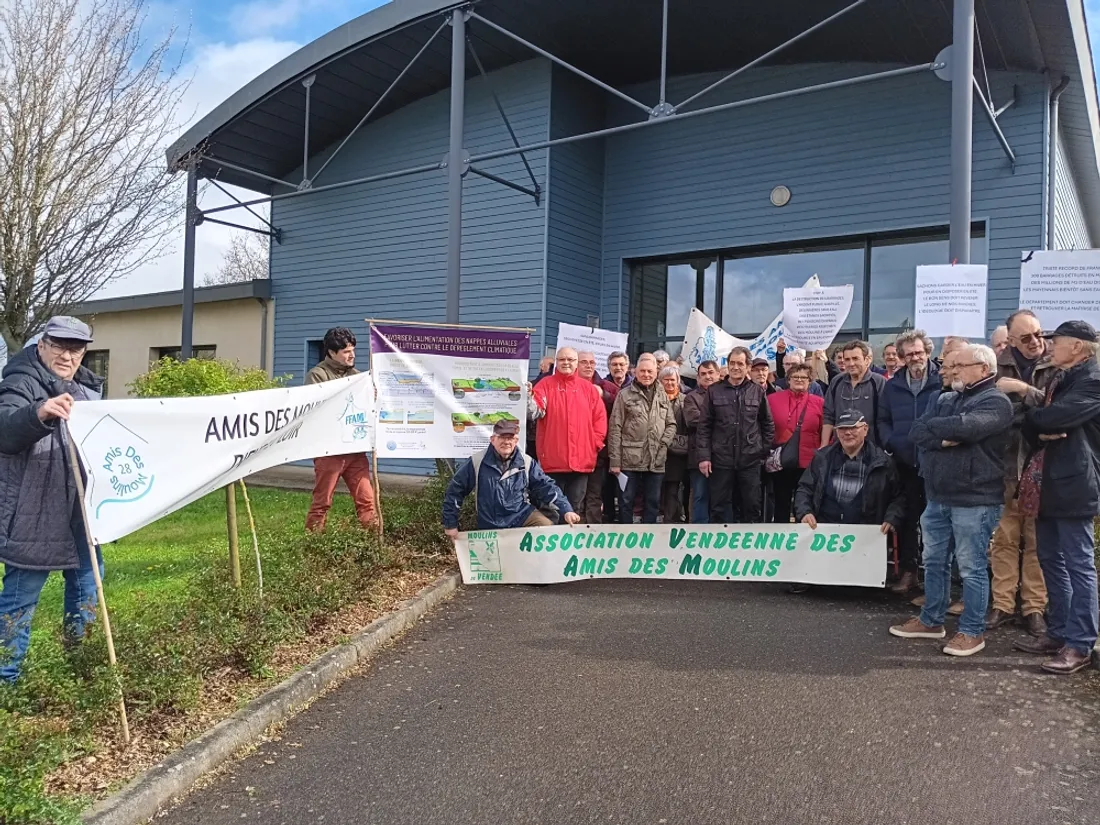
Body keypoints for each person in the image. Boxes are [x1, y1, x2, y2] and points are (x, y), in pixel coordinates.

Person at [0, 317, 105, 683]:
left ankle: (82, 671)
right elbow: (5, 428)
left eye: (76, 348)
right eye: (59, 345)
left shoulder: (86, 390)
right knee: (21, 595)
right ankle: (6, 683)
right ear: (41, 344)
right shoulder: (21, 380)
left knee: (89, 585)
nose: (67, 354)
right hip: (34, 510)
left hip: (79, 509)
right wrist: (38, 413)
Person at [890, 343, 1012, 657]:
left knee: (971, 567)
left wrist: (942, 432)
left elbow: (967, 428)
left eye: (960, 366)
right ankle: (931, 621)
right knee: (933, 562)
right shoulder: (944, 398)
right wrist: (946, 437)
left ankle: (972, 631)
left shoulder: (996, 402)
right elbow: (917, 431)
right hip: (938, 496)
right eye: (951, 366)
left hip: (975, 498)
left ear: (984, 369)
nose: (952, 371)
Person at [1014, 321, 1100, 675]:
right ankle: (1060, 631)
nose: (1050, 345)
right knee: (1050, 558)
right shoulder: (1060, 379)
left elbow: (1054, 417)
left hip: (1075, 484)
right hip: (1048, 483)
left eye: (1057, 340)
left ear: (1078, 346)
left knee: (1079, 564)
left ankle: (1081, 645)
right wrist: (1040, 423)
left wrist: (1039, 421)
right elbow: (1037, 423)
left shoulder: (1093, 379)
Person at [987, 309, 1056, 635]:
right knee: (1004, 541)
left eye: (1039, 334)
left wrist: (1023, 392)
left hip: (1043, 470)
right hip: (1004, 470)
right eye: (1026, 337)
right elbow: (991, 414)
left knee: (1036, 543)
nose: (1035, 342)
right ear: (1010, 340)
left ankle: (1034, 608)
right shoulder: (994, 368)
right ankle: (1002, 605)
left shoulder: (1056, 366)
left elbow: (1058, 411)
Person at [793, 411, 905, 593]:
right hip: (824, 531)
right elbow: (804, 489)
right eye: (842, 429)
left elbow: (899, 497)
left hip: (864, 533)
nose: (847, 433)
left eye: (853, 428)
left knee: (859, 591)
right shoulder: (822, 458)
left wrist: (892, 518)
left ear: (865, 429)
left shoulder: (883, 462)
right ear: (836, 432)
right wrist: (804, 512)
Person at [879, 329, 941, 595]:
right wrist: (891, 442)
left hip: (937, 462)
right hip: (905, 462)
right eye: (909, 354)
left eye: (919, 352)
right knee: (907, 518)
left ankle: (937, 579)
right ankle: (909, 571)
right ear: (902, 357)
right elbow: (882, 419)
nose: (915, 357)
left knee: (938, 521)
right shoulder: (892, 385)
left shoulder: (942, 381)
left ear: (928, 352)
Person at [443, 420, 579, 537]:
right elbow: (455, 491)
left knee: (546, 527)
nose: (506, 442)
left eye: (510, 437)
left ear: (516, 440)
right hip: (490, 523)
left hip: (522, 516)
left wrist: (566, 510)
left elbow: (546, 487)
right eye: (502, 437)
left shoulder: (527, 462)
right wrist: (450, 525)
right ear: (493, 439)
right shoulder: (476, 462)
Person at [304, 327, 377, 532]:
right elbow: (318, 411)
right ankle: (313, 546)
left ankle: (375, 547)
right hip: (329, 452)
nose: (352, 355)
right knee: (322, 503)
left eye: (353, 349)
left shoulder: (357, 376)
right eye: (346, 351)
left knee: (367, 500)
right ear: (331, 352)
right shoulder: (317, 375)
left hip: (355, 451)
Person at [696, 346, 775, 523]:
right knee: (718, 506)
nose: (735, 367)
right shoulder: (714, 391)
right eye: (732, 363)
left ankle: (750, 547)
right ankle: (720, 545)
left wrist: (762, 451)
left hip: (750, 460)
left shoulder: (757, 391)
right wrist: (704, 457)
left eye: (740, 363)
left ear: (748, 367)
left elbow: (767, 424)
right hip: (721, 459)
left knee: (752, 506)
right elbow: (704, 426)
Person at [528, 347, 607, 516]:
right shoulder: (545, 385)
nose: (566, 363)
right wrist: (528, 397)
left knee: (575, 509)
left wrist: (594, 445)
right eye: (562, 359)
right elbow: (535, 412)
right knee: (552, 509)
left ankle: (572, 543)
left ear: (576, 363)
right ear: (556, 362)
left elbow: (600, 420)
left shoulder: (588, 389)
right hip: (552, 461)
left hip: (581, 462)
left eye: (570, 360)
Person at [608, 353, 677, 524]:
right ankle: (625, 538)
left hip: (656, 459)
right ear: (635, 372)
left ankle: (649, 540)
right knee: (626, 502)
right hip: (629, 459)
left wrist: (663, 445)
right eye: (643, 371)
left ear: (656, 372)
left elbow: (671, 424)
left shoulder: (662, 395)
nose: (646, 375)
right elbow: (615, 428)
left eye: (650, 371)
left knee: (653, 503)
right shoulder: (624, 395)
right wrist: (615, 461)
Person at [768, 363, 825, 525]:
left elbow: (826, 431)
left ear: (810, 381)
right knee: (781, 502)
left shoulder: (819, 402)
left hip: (809, 462)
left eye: (804, 377)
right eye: (795, 377)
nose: (799, 380)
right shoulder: (772, 400)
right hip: (782, 461)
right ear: (788, 380)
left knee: (806, 503)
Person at [578, 351, 619, 523]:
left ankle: (593, 531)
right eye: (584, 362)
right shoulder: (569, 385)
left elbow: (623, 402)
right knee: (577, 495)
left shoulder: (606, 386)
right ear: (576, 364)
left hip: (598, 451)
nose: (588, 366)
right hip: (574, 450)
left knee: (595, 494)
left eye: (592, 362)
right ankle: (575, 532)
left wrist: (604, 395)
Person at [821, 340, 886, 448]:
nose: (851, 363)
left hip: (871, 449)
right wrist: (824, 444)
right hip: (840, 448)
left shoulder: (879, 382)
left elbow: (884, 418)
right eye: (847, 359)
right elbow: (828, 415)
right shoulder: (836, 382)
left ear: (867, 360)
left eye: (855, 359)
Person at [682, 360, 720, 523]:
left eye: (711, 372)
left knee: (721, 498)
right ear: (697, 378)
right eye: (703, 374)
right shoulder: (691, 397)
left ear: (718, 374)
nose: (707, 376)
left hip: (723, 455)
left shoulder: (727, 394)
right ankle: (699, 534)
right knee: (700, 496)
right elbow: (693, 421)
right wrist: (722, 419)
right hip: (698, 456)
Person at [659, 365, 689, 523]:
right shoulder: (654, 399)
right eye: (666, 380)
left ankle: (671, 523)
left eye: (673, 380)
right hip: (656, 453)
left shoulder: (685, 400)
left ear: (678, 381)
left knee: (673, 490)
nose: (670, 383)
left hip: (677, 454)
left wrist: (669, 440)